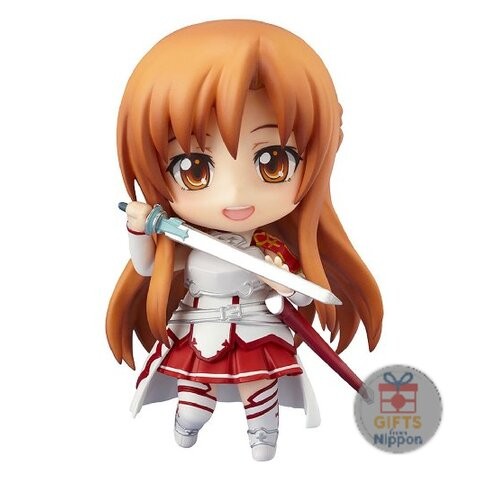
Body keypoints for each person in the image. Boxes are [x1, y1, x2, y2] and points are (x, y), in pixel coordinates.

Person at [106, 19, 383, 461]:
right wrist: (138, 228)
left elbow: (301, 292)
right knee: (193, 397)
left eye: (273, 161)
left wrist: (281, 282)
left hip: (257, 328)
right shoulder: (188, 244)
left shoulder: (272, 249)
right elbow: (148, 267)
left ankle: (262, 434)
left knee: (261, 389)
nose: (234, 196)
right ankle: (187, 421)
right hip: (201, 327)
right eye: (194, 169)